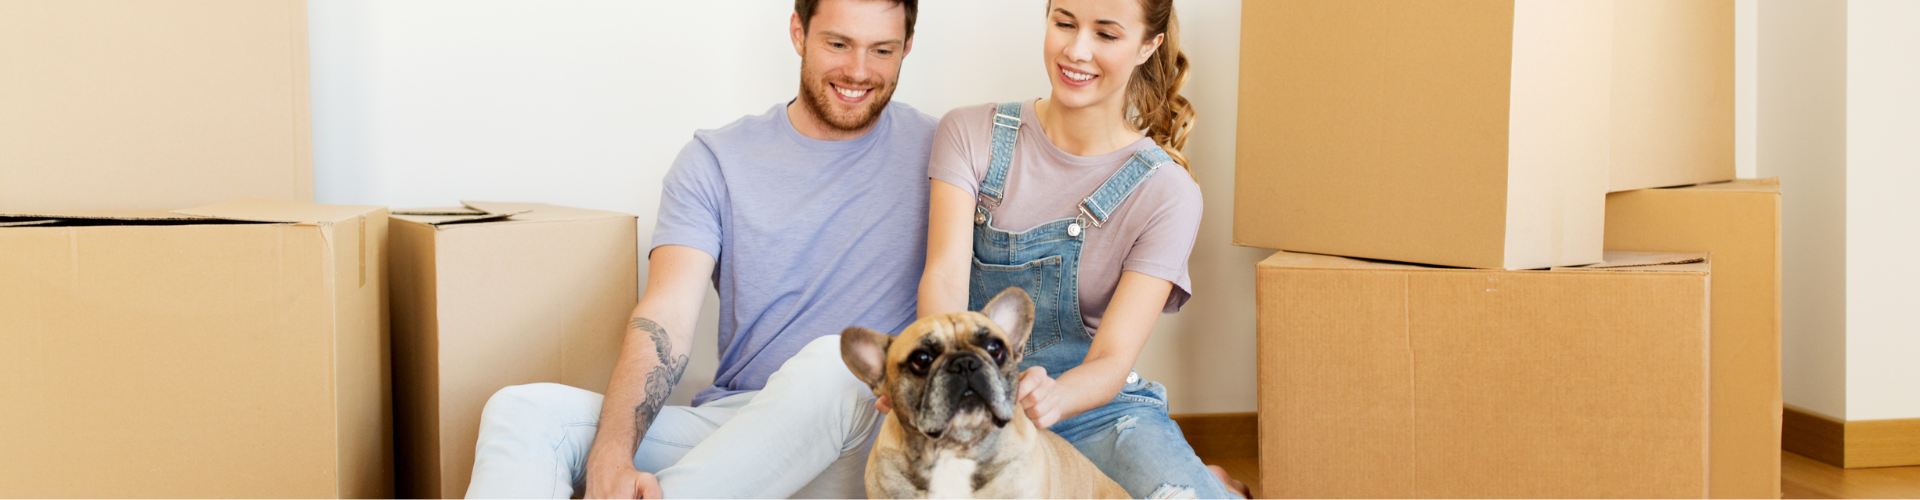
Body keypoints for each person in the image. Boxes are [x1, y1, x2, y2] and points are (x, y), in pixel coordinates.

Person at [462, 0, 933, 498]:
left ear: (906, 47)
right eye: (838, 43)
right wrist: (612, 458)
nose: (858, 71)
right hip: (739, 431)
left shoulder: (943, 153)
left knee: (839, 364)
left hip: (870, 437)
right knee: (524, 412)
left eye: (881, 50)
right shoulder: (716, 159)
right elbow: (667, 315)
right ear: (799, 33)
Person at [903, 0, 1249, 497]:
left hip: (1098, 414)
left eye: (1106, 34)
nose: (1076, 50)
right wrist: (940, 377)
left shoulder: (1168, 193)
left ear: (1148, 45)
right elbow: (944, 280)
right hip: (976, 402)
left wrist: (1056, 397)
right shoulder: (969, 134)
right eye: (1064, 22)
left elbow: (1111, 359)